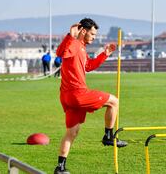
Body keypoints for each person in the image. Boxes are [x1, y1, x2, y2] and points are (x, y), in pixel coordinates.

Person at [54, 18, 127, 174]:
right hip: (77, 94)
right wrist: (70, 35)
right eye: (93, 34)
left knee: (71, 133)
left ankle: (60, 167)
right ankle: (108, 136)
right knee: (114, 101)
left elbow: (88, 66)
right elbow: (60, 53)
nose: (94, 37)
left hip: (67, 97)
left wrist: (105, 54)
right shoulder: (74, 43)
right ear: (84, 31)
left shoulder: (80, 46)